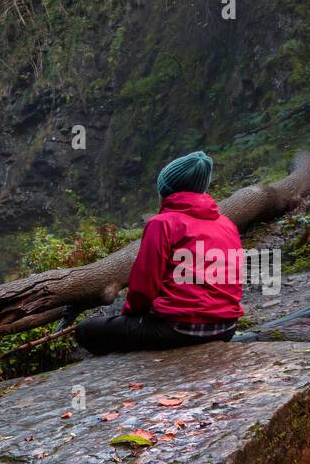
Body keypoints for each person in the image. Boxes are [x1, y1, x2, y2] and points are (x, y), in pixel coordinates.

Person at [75, 150, 243, 355]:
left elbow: (143, 288)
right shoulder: (226, 224)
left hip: (178, 330)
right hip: (226, 328)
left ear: (166, 191)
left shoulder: (162, 223)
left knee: (85, 330)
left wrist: (131, 316)